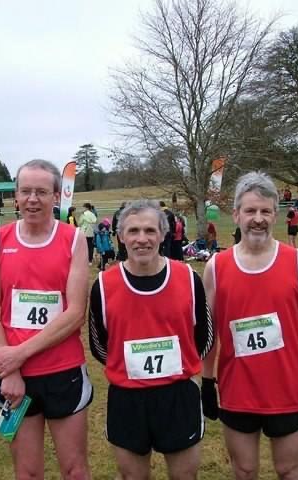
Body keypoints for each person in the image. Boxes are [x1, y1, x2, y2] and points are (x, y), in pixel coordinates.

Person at [201, 171, 298, 480]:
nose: (258, 219)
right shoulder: (216, 267)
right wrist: (206, 381)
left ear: (275, 215)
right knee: (244, 470)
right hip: (237, 390)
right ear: (236, 215)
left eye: (265, 211)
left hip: (287, 390)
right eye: (250, 211)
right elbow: (208, 332)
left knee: (289, 469)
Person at [0, 159, 93, 480]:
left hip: (63, 372)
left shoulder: (73, 238)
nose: (32, 199)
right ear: (15, 196)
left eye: (41, 192)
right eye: (25, 191)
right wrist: (11, 369)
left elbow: (75, 313)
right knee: (27, 473)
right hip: (15, 378)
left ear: (56, 196)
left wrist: (19, 354)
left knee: (75, 470)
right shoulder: (0, 238)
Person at [88, 199, 214, 480]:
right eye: (133, 231)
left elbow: (204, 337)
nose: (141, 239)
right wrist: (131, 368)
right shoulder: (104, 285)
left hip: (178, 395)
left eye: (149, 230)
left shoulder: (188, 278)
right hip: (127, 399)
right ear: (121, 236)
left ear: (163, 234)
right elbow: (100, 346)